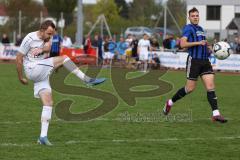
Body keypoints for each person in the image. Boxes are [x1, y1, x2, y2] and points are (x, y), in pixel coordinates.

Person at [16, 20, 106, 146]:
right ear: (41, 30)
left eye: (52, 33)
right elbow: (18, 58)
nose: (50, 36)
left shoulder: (49, 37)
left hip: (41, 74)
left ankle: (42, 137)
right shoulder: (29, 38)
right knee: (64, 59)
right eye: (48, 33)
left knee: (48, 103)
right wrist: (20, 77)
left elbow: (47, 48)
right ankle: (87, 80)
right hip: (32, 69)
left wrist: (42, 50)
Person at [162, 7, 227, 123]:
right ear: (189, 17)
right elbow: (182, 44)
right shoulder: (188, 28)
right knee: (189, 88)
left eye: (197, 15)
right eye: (193, 16)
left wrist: (213, 48)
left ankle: (216, 114)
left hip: (205, 61)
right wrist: (198, 42)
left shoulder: (201, 29)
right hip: (194, 62)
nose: (195, 17)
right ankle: (170, 102)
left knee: (210, 86)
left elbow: (202, 45)